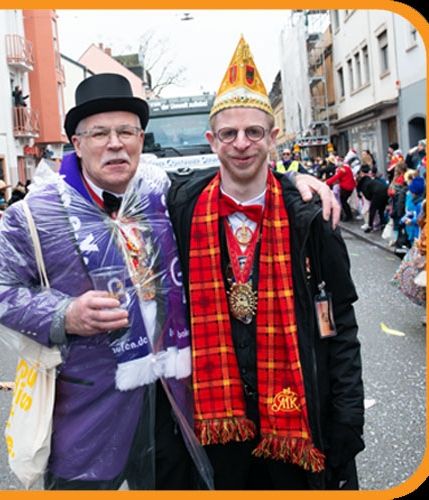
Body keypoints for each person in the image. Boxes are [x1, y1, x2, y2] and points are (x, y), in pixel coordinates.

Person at [0, 72, 339, 491]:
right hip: (90, 413)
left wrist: (293, 182)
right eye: (100, 133)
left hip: (175, 408)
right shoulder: (37, 213)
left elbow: (238, 176)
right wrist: (64, 313)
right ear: (77, 143)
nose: (115, 144)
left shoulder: (161, 191)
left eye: (126, 132)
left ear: (141, 139)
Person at [167, 36, 364, 490]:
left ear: (273, 138)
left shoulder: (312, 219)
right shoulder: (182, 207)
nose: (241, 144)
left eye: (254, 132)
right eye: (228, 134)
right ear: (212, 141)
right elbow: (115, 176)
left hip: (297, 415)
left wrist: (347, 418)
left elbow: (341, 322)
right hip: (217, 422)